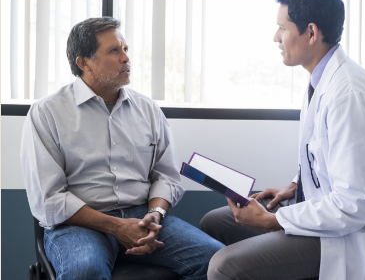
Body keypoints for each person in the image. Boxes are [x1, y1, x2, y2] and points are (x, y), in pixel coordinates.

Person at [200, 0, 365, 279]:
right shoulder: (320, 79)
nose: (276, 38)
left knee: (224, 267)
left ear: (311, 32)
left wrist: (274, 220)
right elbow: (328, 155)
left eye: (282, 28)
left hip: (352, 240)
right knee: (214, 223)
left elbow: (354, 205)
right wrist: (296, 186)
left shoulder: (350, 95)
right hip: (321, 214)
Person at [20, 17, 224, 280]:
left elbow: (166, 176)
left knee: (218, 261)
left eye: (125, 49)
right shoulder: (47, 112)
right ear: (84, 62)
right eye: (114, 50)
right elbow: (49, 199)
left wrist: (155, 214)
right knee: (85, 271)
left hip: (144, 217)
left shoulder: (147, 109)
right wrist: (117, 227)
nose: (126, 58)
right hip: (79, 223)